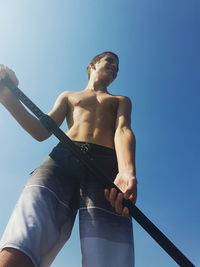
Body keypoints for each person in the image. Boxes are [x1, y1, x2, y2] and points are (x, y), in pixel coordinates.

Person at [0, 52, 137, 267]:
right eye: (110, 61)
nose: (115, 68)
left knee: (108, 255)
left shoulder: (120, 100)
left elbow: (123, 130)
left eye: (117, 67)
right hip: (61, 159)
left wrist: (126, 171)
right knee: (26, 236)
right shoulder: (69, 96)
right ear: (92, 64)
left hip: (105, 169)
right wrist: (7, 96)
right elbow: (41, 131)